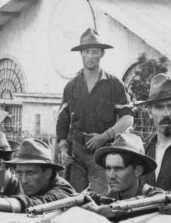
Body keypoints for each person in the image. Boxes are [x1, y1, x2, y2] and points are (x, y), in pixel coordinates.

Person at [54, 27, 135, 196]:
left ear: (102, 54)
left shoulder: (114, 85)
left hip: (103, 153)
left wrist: (104, 137)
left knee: (101, 199)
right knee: (73, 199)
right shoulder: (71, 87)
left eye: (95, 52)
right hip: (76, 153)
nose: (90, 56)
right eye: (86, 52)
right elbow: (62, 123)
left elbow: (127, 118)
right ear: (81, 54)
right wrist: (62, 148)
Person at [0, 139, 78, 214]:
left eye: (30, 173)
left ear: (47, 173)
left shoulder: (64, 191)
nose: (23, 180)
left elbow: (39, 203)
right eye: (19, 173)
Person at [89, 133, 164, 220]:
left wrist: (116, 209)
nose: (111, 176)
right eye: (108, 168)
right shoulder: (108, 198)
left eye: (118, 168)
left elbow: (160, 200)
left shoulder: (156, 196)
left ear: (137, 171)